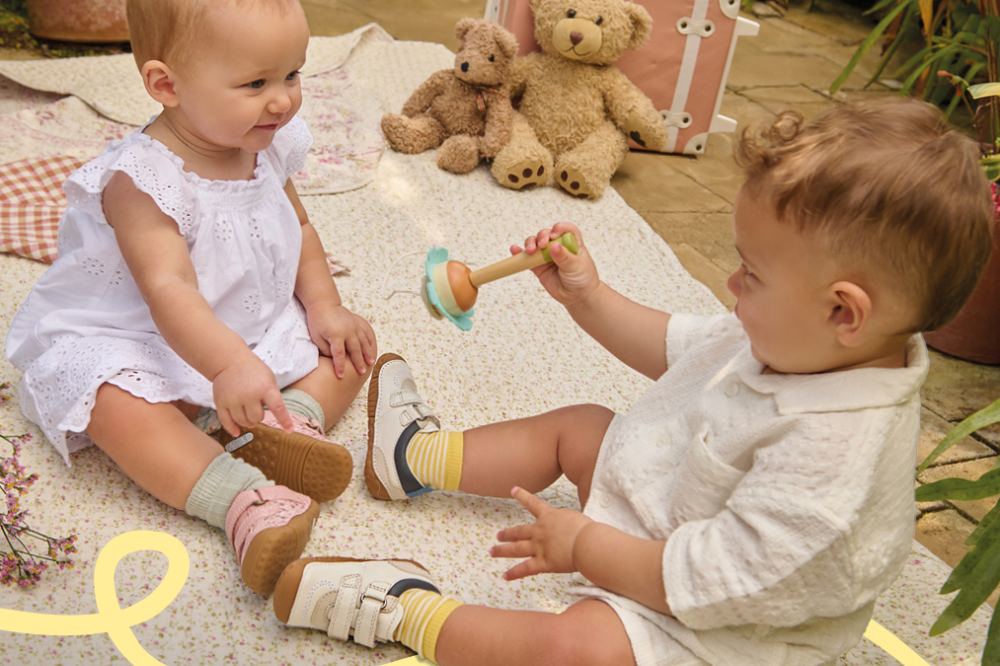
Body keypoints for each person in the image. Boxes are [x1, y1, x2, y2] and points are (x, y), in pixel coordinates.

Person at [268, 98, 996, 664]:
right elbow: (678, 349)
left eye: (752, 273)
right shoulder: (809, 339)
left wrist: (585, 547)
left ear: (844, 311)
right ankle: (412, 459)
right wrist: (587, 295)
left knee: (578, 649)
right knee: (583, 428)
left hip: (716, 627)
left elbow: (715, 583)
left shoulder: (835, 468)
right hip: (674, 518)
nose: (730, 282)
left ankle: (409, 611)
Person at [3, 0, 375, 597]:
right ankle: (240, 498)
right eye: (255, 83)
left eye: (292, 74)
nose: (282, 101)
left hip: (247, 326)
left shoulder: (266, 141)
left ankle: (287, 423)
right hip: (143, 338)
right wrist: (227, 366)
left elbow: (300, 227)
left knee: (350, 348)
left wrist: (327, 307)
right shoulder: (144, 181)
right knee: (110, 403)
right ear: (166, 85)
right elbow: (167, 287)